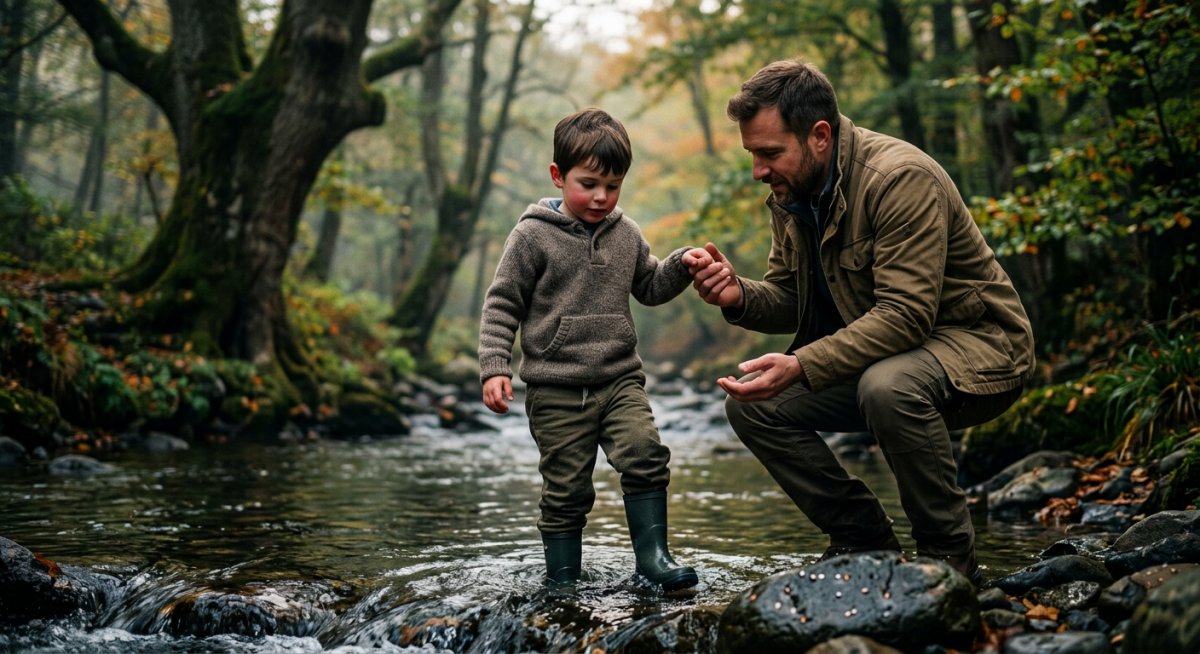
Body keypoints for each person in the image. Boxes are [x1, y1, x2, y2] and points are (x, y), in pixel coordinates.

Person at [683, 59, 1035, 584]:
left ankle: (947, 564)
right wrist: (738, 294)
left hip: (982, 348)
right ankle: (864, 542)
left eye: (769, 153)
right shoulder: (793, 191)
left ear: (819, 135)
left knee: (887, 386)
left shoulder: (898, 178)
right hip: (890, 356)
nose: (758, 169)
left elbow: (905, 316)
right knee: (754, 406)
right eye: (752, 154)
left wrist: (802, 363)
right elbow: (790, 297)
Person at [479, 108, 706, 591]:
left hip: (618, 378)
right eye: (589, 184)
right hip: (555, 387)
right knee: (566, 488)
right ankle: (562, 581)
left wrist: (682, 264)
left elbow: (649, 285)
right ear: (558, 176)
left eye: (614, 185)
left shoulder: (626, 234)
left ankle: (654, 559)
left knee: (646, 453)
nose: (602, 197)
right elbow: (502, 302)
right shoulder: (531, 235)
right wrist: (495, 366)